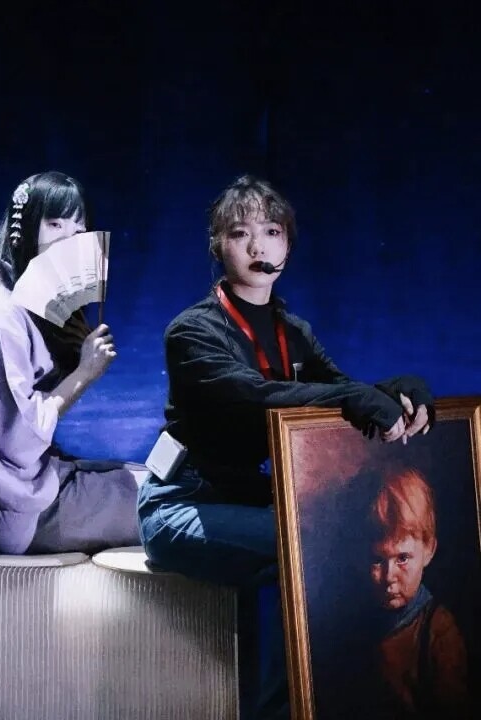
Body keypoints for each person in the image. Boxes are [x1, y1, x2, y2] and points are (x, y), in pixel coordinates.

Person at [136, 175, 436, 719]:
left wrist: (400, 389)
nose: (258, 245)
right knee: (302, 545)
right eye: (239, 233)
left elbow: (338, 393)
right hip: (179, 505)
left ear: (288, 246)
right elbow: (255, 395)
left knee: (326, 542)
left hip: (252, 501)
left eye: (272, 232)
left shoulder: (293, 329)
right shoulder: (191, 331)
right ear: (218, 247)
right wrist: (356, 397)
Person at [0, 171, 142, 555]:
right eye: (55, 224)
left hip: (21, 488)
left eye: (78, 229)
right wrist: (83, 374)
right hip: (12, 510)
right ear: (22, 231)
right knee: (162, 501)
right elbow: (16, 441)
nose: (70, 240)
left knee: (148, 476)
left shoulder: (10, 295)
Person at [362, 468, 469, 718]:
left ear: (428, 550)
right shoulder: (359, 623)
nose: (388, 576)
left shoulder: (439, 631)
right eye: (378, 560)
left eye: (402, 558)